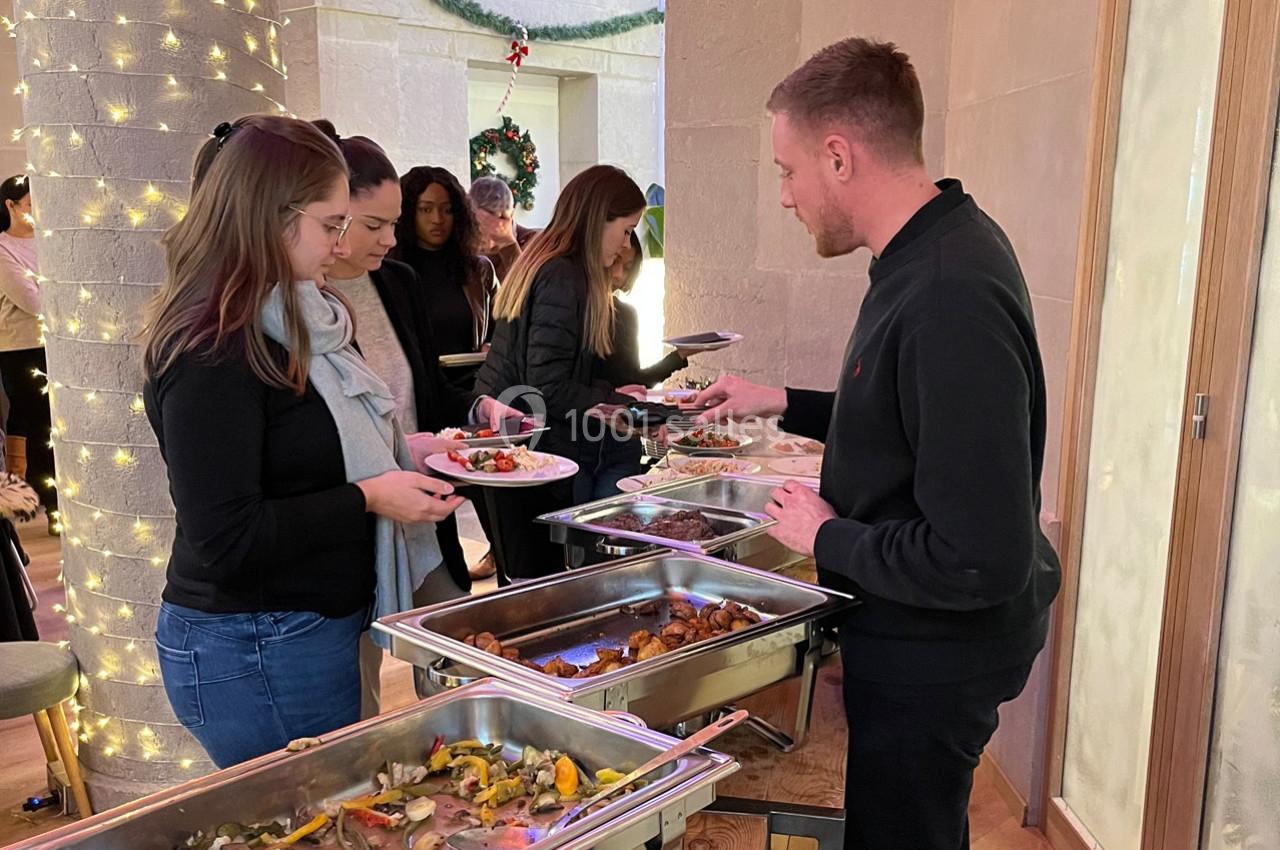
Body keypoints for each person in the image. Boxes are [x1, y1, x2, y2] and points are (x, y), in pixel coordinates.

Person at [692, 39, 1062, 850]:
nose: (785, 196)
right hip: (926, 637)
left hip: (940, 651)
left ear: (839, 156)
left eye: (787, 171)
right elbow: (908, 419)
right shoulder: (932, 245)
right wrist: (783, 402)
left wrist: (825, 535)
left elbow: (978, 556)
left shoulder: (945, 292)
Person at [141, 115, 464, 768]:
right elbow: (227, 538)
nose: (343, 242)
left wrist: (405, 457)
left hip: (304, 626)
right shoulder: (214, 346)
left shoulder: (296, 317)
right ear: (268, 216)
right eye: (331, 224)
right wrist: (370, 497)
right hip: (254, 642)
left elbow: (320, 451)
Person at [311, 120, 517, 716]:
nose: (389, 239)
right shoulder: (301, 306)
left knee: (453, 653)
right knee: (355, 692)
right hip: (354, 517)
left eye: (393, 224)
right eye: (373, 224)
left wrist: (477, 407)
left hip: (420, 501)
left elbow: (425, 386)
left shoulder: (396, 283)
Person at [475, 164, 646, 581]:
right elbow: (546, 385)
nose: (626, 245)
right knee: (537, 588)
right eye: (625, 230)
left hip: (516, 443)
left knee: (524, 579)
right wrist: (627, 405)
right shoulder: (562, 274)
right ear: (596, 219)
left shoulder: (548, 262)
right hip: (528, 448)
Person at [392, 166, 497, 361]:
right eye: (426, 209)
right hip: (418, 386)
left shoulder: (479, 270)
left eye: (447, 210)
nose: (437, 219)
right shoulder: (391, 271)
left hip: (472, 381)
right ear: (407, 212)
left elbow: (504, 329)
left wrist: (491, 346)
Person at [0, 174, 57, 533]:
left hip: (52, 343)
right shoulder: (3, 248)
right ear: (10, 206)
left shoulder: (45, 242)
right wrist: (47, 286)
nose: (36, 214)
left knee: (56, 425)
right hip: (20, 349)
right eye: (30, 207)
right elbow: (33, 301)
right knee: (38, 426)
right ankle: (51, 508)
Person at [470, 175, 539, 283]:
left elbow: (532, 291)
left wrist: (508, 244)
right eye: (483, 223)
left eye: (500, 219)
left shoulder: (534, 242)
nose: (492, 228)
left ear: (511, 213)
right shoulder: (463, 243)